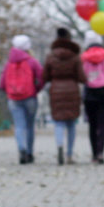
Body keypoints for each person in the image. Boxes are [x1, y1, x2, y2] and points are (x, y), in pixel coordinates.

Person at [43, 27, 86, 165]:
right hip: (72, 90)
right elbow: (82, 77)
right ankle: (69, 154)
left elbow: (45, 76)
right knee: (71, 124)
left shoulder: (51, 56)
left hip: (56, 90)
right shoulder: (75, 56)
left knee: (59, 123)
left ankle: (59, 145)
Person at [0, 33, 44, 164]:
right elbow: (41, 78)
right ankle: (29, 153)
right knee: (30, 126)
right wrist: (36, 90)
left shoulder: (9, 63)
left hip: (13, 99)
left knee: (19, 126)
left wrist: (10, 92)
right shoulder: (32, 61)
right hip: (30, 97)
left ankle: (21, 149)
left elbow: (2, 83)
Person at [80, 30, 104, 163]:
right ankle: (101, 152)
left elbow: (81, 73)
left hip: (89, 93)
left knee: (92, 124)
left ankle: (94, 153)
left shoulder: (83, 57)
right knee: (102, 124)